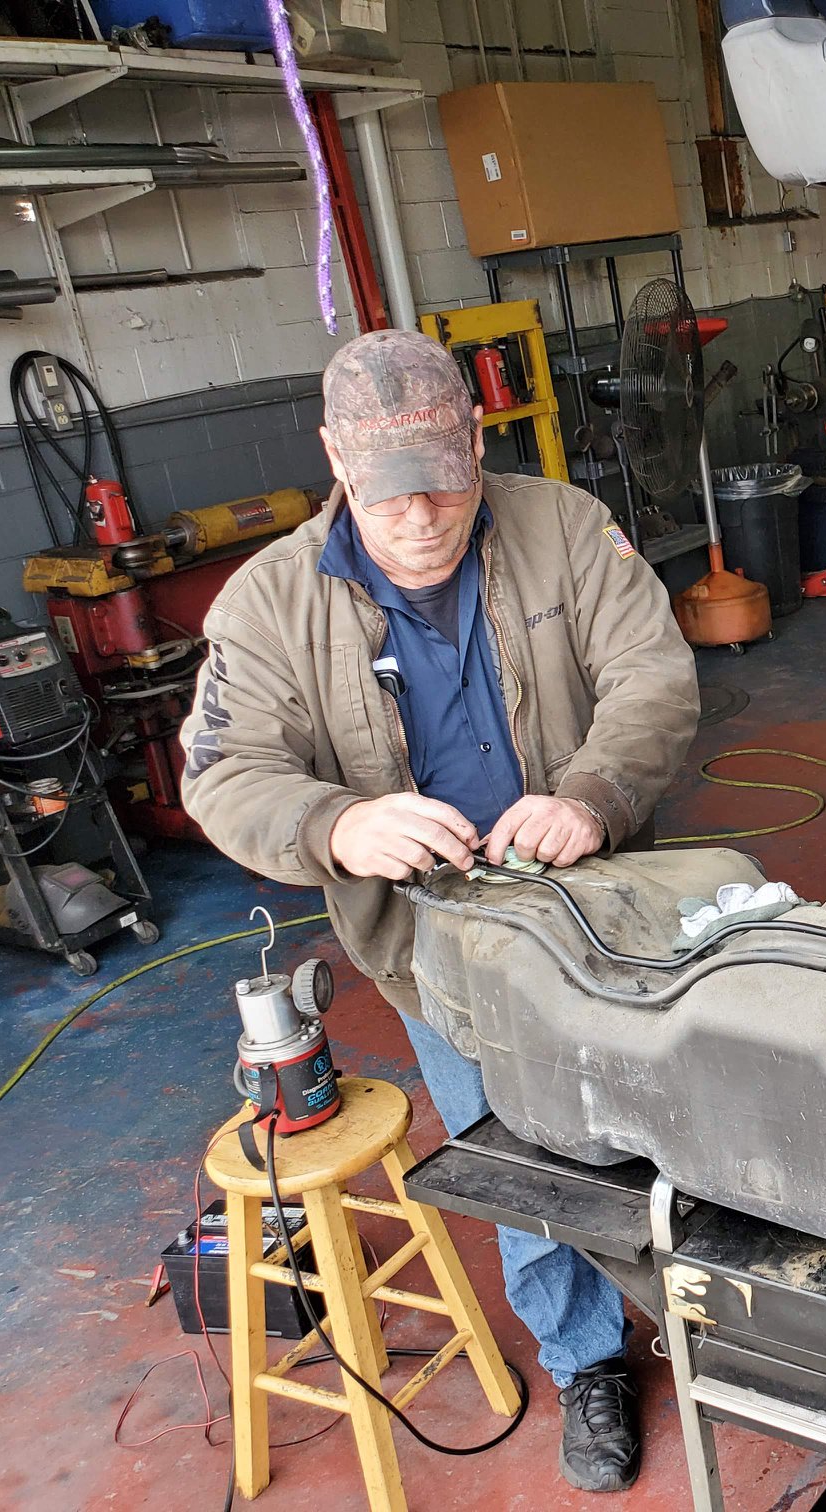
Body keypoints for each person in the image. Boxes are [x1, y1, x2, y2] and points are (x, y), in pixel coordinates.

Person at [181, 328, 699, 1490]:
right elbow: (222, 770)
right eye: (388, 496)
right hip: (437, 950)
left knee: (672, 1119)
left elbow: (652, 679)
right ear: (334, 459)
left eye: (444, 485)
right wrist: (336, 826)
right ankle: (587, 1362)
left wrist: (593, 794)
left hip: (605, 910)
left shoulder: (565, 528)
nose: (420, 519)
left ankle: (711, 1320)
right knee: (520, 1160)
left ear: (476, 437)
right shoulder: (268, 603)